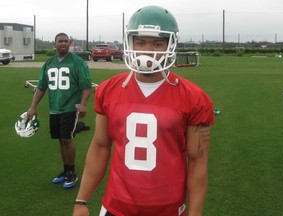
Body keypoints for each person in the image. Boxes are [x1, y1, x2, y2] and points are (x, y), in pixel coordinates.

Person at [73, 5, 214, 216]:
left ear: (170, 45)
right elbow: (100, 146)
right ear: (130, 43)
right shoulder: (108, 90)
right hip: (116, 207)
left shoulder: (193, 97)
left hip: (168, 209)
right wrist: (81, 200)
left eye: (157, 43)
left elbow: (197, 162)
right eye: (140, 42)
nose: (148, 50)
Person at [27, 32, 92, 189]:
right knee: (60, 140)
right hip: (54, 109)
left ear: (69, 43)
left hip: (70, 108)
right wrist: (33, 106)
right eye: (60, 41)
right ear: (54, 44)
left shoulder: (77, 62)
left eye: (65, 41)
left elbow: (86, 86)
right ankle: (66, 170)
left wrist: (82, 104)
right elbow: (41, 87)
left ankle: (72, 173)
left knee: (67, 139)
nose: (63, 43)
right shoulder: (49, 63)